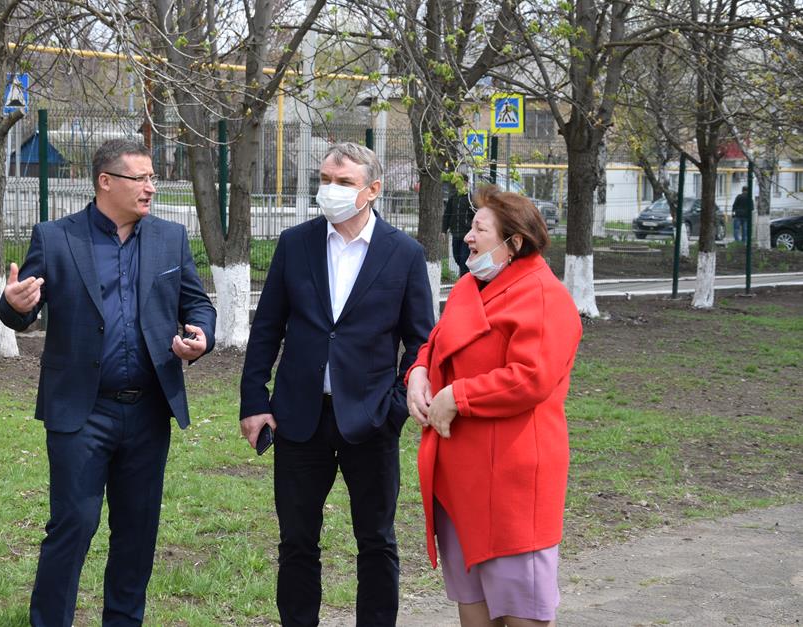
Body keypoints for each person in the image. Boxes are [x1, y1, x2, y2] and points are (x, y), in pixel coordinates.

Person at [0, 138, 216, 626]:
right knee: (73, 524)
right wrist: (13, 305)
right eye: (141, 178)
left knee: (137, 532)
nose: (151, 188)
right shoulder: (56, 238)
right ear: (106, 181)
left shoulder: (170, 238)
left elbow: (197, 304)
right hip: (81, 411)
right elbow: (21, 310)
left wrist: (202, 335)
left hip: (148, 411)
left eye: (153, 178)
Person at [239, 141, 434, 626]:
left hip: (370, 420)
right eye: (325, 179)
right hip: (298, 419)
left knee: (376, 541)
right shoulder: (295, 243)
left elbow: (421, 341)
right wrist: (254, 400)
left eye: (343, 182)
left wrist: (395, 407)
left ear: (373, 189)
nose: (330, 189)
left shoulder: (404, 253)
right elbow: (266, 329)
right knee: (296, 541)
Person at [406, 184, 582, 627]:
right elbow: (437, 342)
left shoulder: (544, 296)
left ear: (514, 243)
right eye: (471, 226)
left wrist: (458, 396)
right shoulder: (470, 286)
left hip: (512, 481)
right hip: (460, 477)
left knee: (521, 610)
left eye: (479, 229)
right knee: (473, 603)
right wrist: (419, 373)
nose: (468, 236)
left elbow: (531, 376)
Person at [443, 188, 474, 276]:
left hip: (466, 234)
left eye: (464, 183)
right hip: (455, 233)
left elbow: (475, 214)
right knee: (457, 258)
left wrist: (471, 225)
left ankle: (464, 278)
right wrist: (444, 230)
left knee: (464, 259)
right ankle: (465, 275)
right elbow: (447, 214)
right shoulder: (453, 198)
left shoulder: (471, 198)